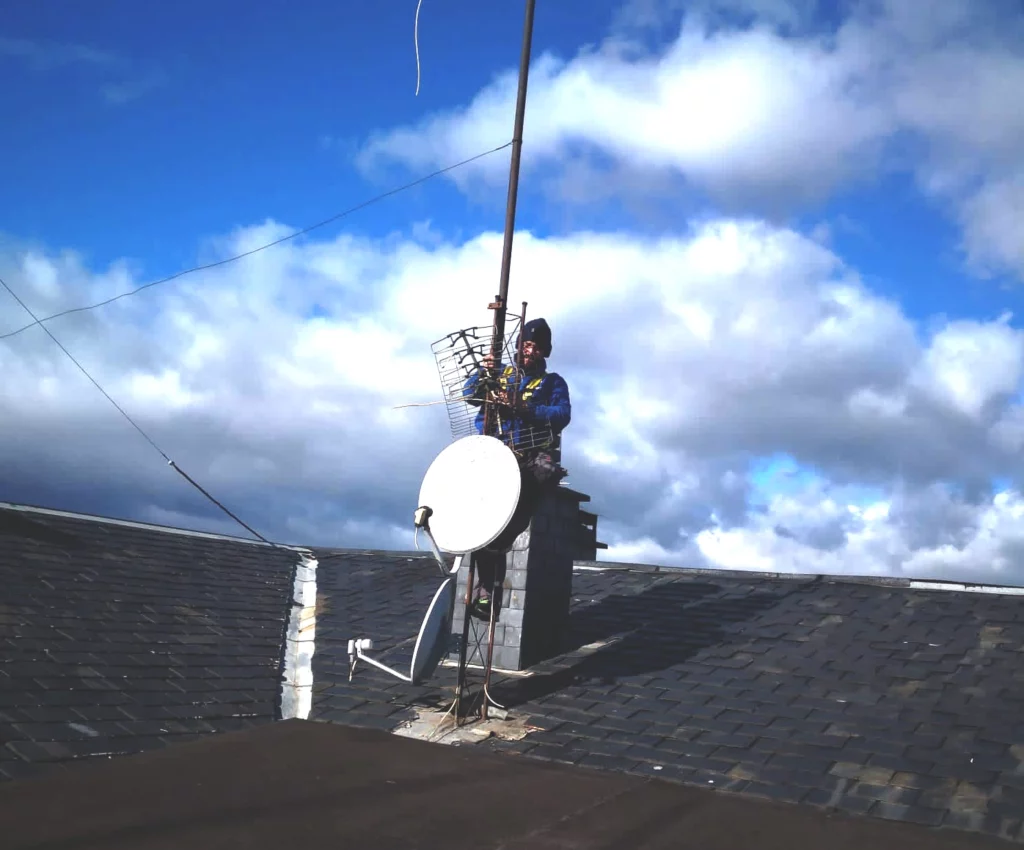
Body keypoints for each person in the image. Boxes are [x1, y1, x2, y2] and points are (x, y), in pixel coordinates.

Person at [461, 317, 571, 620]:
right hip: (494, 457)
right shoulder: (501, 374)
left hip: (528, 461)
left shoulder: (553, 382)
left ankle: (488, 591)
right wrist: (485, 370)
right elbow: (471, 394)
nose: (530, 350)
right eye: (526, 344)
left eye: (536, 347)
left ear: (544, 352)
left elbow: (562, 414)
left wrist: (525, 408)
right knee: (485, 527)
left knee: (506, 528)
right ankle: (486, 594)